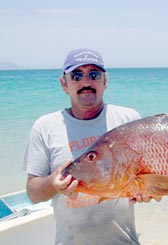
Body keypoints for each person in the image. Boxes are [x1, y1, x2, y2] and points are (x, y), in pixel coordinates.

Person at [23, 48, 142, 244]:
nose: (86, 82)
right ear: (64, 84)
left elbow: (147, 176)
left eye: (93, 75)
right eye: (76, 76)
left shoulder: (128, 120)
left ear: (105, 81)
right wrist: (52, 184)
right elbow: (33, 194)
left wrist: (148, 191)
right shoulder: (45, 127)